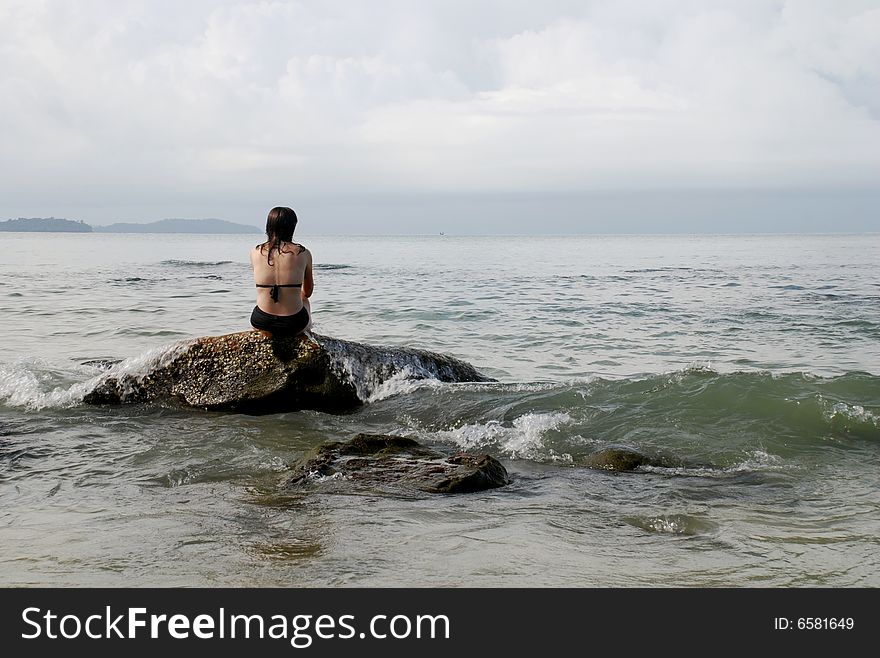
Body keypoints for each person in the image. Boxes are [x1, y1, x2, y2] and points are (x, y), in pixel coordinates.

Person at [249, 206, 313, 337]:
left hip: (262, 321)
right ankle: (308, 331)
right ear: (292, 227)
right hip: (294, 323)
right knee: (304, 299)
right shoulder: (304, 253)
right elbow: (308, 292)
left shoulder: (255, 252)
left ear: (269, 226)